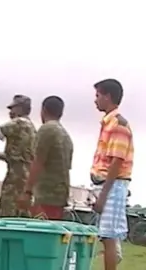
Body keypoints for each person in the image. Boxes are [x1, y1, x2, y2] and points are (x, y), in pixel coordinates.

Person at [90, 79, 133, 269]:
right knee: (106, 237)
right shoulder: (108, 123)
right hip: (106, 184)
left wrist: (103, 197)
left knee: (109, 237)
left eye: (98, 95)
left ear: (107, 97)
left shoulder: (118, 125)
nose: (95, 100)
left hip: (113, 186)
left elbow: (116, 162)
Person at [18, 96, 73, 220]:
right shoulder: (66, 136)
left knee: (40, 234)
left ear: (43, 110)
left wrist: (27, 191)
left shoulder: (46, 130)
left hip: (46, 194)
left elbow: (38, 162)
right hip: (60, 194)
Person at [0, 95, 36, 218]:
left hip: (15, 176)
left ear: (20, 109)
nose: (10, 113)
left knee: (7, 211)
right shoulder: (32, 127)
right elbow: (18, 155)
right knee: (21, 214)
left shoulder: (18, 123)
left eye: (13, 109)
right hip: (27, 177)